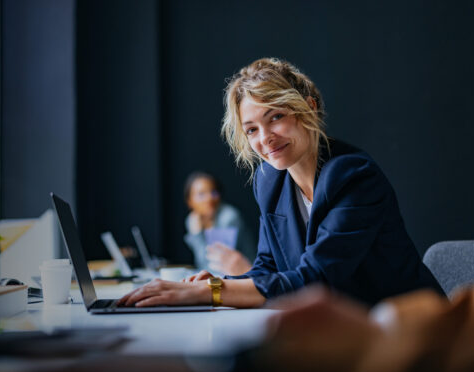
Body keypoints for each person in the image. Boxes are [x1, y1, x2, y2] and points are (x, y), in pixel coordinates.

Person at [119, 57, 444, 308]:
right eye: (252, 129)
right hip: (340, 335)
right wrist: (220, 281)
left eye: (275, 117)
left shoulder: (354, 177)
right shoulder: (269, 181)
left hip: (410, 334)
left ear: (308, 108)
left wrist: (212, 293)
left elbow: (316, 279)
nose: (266, 139)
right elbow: (267, 268)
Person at [182, 171, 255, 276]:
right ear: (190, 201)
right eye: (201, 194)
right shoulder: (192, 220)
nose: (209, 198)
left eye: (213, 192)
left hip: (245, 275)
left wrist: (197, 236)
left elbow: (217, 266)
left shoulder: (229, 217)